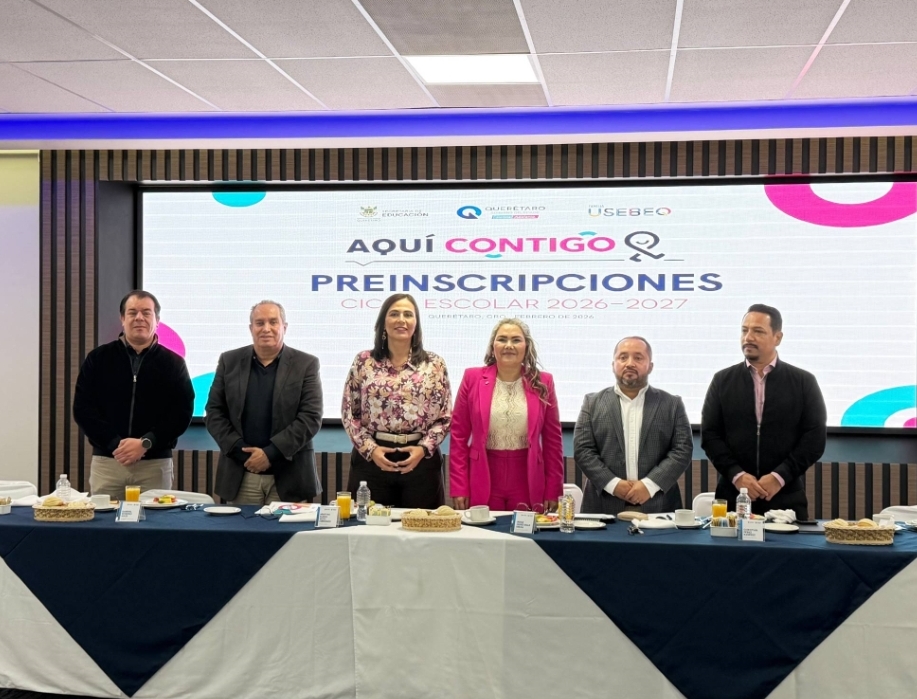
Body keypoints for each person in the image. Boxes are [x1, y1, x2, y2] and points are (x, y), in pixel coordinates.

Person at [701, 304, 826, 520]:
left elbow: (814, 439)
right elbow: (710, 435)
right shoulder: (722, 381)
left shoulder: (803, 382)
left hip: (785, 498)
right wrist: (737, 475)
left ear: (777, 337)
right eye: (744, 330)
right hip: (734, 497)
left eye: (758, 331)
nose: (748, 337)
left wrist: (779, 476)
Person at [73, 290, 194, 498]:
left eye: (146, 313)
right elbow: (83, 409)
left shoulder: (174, 363)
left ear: (157, 320)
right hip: (109, 463)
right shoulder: (98, 358)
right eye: (132, 312)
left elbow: (181, 413)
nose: (139, 318)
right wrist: (116, 444)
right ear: (122, 319)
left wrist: (146, 442)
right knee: (105, 519)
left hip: (154, 465)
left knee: (155, 519)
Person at [205, 300, 323, 505]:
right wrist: (244, 454)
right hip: (241, 473)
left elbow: (310, 417)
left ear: (284, 327)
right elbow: (214, 412)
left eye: (273, 322)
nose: (266, 328)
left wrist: (270, 454)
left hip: (290, 475)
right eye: (259, 323)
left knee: (287, 529)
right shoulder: (229, 361)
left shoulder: (306, 364)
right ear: (251, 328)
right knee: (242, 527)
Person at [341, 293, 452, 509]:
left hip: (421, 461)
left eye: (408, 314)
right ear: (383, 322)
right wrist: (371, 449)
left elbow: (444, 417)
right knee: (367, 526)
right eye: (394, 314)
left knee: (422, 527)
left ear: (416, 324)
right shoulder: (364, 362)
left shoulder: (434, 364)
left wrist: (423, 449)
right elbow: (349, 413)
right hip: (372, 460)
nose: (401, 319)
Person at [449, 319, 564, 512]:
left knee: (526, 531)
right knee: (483, 531)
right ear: (493, 346)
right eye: (502, 339)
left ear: (526, 346)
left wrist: (553, 490)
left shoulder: (544, 382)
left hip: (527, 477)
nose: (509, 345)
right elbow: (458, 436)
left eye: (516, 340)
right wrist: (459, 487)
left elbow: (553, 441)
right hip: (483, 475)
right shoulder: (472, 378)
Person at [574, 336, 692, 515]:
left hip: (658, 506)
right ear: (613, 364)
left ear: (650, 366)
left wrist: (649, 485)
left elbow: (682, 450)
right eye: (623, 357)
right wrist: (613, 484)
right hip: (603, 507)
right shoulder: (592, 403)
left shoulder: (672, 404)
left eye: (638, 357)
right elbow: (583, 450)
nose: (630, 363)